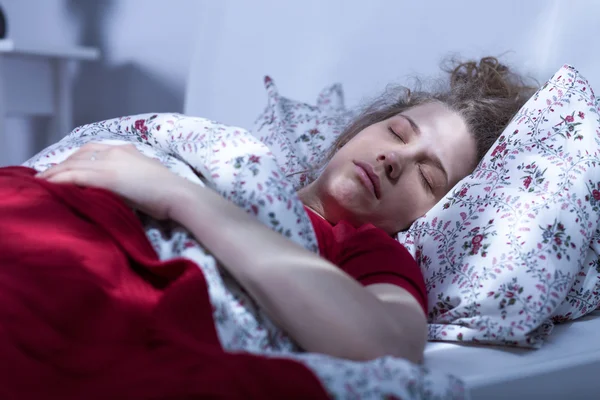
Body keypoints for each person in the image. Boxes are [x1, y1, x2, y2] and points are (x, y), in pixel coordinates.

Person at [35, 56, 535, 365]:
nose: (393, 160)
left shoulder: (369, 252)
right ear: (358, 130)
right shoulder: (241, 161)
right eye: (398, 133)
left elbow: (389, 341)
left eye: (428, 178)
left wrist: (177, 196)